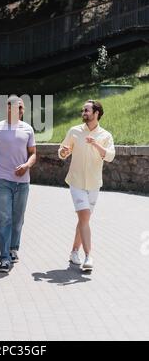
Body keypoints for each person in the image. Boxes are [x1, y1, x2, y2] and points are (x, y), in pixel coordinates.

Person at [58, 99, 115, 271]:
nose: (84, 113)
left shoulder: (105, 135)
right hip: (76, 182)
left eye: (87, 110)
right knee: (84, 217)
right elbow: (62, 151)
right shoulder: (74, 131)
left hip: (94, 183)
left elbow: (110, 156)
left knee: (84, 220)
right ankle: (88, 256)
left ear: (96, 113)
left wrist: (95, 144)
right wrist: (63, 152)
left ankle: (74, 251)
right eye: (83, 110)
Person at [0, 95, 37, 273]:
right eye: (17, 107)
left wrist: (27, 165)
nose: (20, 111)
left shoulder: (28, 129)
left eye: (22, 108)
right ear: (7, 108)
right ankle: (4, 258)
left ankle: (13, 248)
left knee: (18, 219)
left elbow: (33, 153)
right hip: (3, 180)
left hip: (23, 182)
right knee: (4, 218)